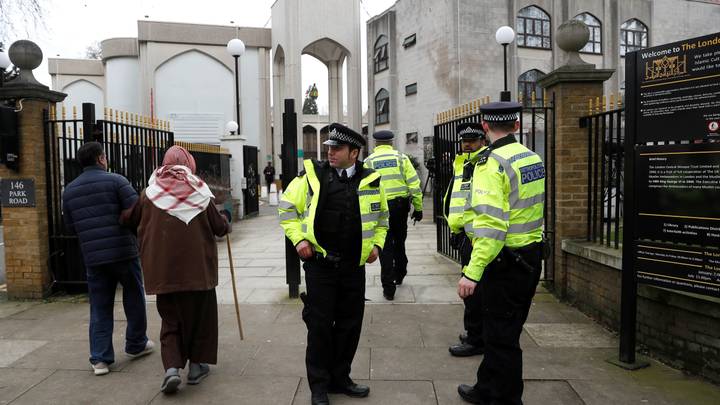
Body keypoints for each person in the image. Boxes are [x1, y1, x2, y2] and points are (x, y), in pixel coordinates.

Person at [279, 123, 388, 405]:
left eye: (337, 148)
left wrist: (377, 244)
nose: (330, 152)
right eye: (329, 147)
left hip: (354, 266)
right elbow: (287, 208)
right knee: (320, 326)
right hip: (320, 266)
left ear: (354, 152)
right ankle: (319, 385)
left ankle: (341, 378)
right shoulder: (312, 177)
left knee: (350, 325)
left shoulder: (372, 179)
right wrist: (298, 240)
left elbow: (383, 219)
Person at [121, 146, 231, 394]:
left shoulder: (150, 193)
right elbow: (217, 226)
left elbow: (130, 219)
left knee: (170, 319)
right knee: (201, 319)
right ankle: (196, 366)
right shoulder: (200, 190)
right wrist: (225, 223)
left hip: (164, 272)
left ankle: (171, 368)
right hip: (199, 271)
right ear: (188, 164)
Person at [456, 102, 545, 405]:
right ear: (516, 126)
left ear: (484, 126)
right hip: (531, 257)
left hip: (504, 261)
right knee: (504, 329)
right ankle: (486, 388)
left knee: (501, 337)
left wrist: (472, 271)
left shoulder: (491, 164)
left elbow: (492, 225)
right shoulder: (531, 157)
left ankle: (506, 399)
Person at [62, 142, 154, 376]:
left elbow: (71, 227)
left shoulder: (69, 190)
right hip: (123, 252)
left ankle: (100, 359)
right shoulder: (117, 181)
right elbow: (137, 213)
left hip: (93, 258)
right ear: (101, 159)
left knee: (100, 306)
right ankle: (136, 344)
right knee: (133, 297)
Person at [443, 122, 488, 357]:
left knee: (472, 290)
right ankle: (475, 332)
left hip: (478, 237)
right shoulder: (463, 164)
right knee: (472, 291)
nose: (467, 144)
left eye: (472, 140)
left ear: (483, 140)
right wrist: (456, 229)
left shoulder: (483, 164)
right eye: (464, 141)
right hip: (465, 234)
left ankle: (476, 339)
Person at [363, 130, 422, 300]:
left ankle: (388, 288)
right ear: (391, 143)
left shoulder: (369, 161)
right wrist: (417, 208)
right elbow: (414, 184)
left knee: (384, 246)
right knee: (400, 240)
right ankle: (401, 271)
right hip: (399, 207)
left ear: (375, 144)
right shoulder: (401, 159)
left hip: (379, 209)